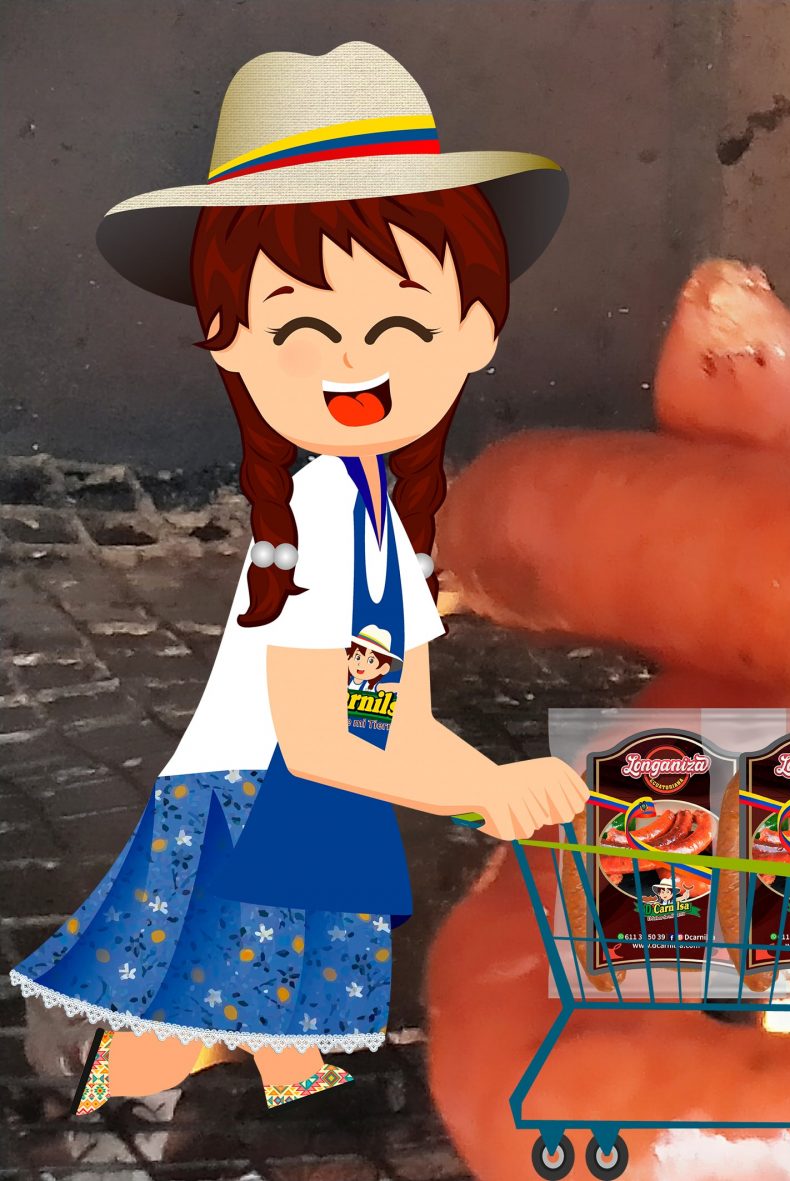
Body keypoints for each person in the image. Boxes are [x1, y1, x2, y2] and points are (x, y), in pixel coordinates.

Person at [7, 41, 587, 1113]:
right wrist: (485, 786)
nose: (353, 361)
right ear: (230, 343)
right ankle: (103, 1110)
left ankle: (217, 1094)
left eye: (399, 324)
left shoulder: (380, 515)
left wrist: (484, 780)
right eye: (303, 329)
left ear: (474, 329)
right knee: (193, 1028)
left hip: (316, 804)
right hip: (260, 805)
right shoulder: (322, 515)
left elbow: (395, 710)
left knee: (276, 1024)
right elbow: (323, 735)